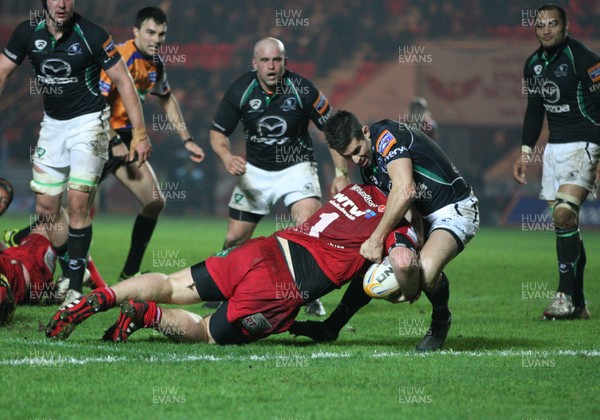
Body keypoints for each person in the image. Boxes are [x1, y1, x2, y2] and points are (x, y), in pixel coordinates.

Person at [45, 183, 422, 344]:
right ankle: (148, 316)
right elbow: (401, 263)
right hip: (278, 289)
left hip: (263, 248)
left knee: (173, 285)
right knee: (208, 332)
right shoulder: (396, 226)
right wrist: (407, 291)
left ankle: (100, 297)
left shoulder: (362, 191)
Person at [0, 0, 150, 307]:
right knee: (46, 209)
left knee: (78, 200)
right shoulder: (27, 32)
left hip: (89, 124)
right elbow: (2, 72)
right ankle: (73, 268)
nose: (62, 3)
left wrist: (141, 133)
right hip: (52, 126)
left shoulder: (92, 35)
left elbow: (124, 81)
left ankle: (75, 290)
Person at [312, 110, 479, 352]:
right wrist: (414, 239)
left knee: (427, 271)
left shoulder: (386, 137)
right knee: (369, 262)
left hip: (453, 209)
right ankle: (331, 326)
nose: (357, 160)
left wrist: (377, 239)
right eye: (349, 157)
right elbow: (406, 207)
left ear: (366, 132)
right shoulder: (368, 167)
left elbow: (405, 191)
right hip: (421, 214)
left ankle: (441, 321)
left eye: (358, 150)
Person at [209, 37, 350, 316]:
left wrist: (341, 172)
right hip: (257, 171)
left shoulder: (303, 89)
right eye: (265, 61)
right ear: (255, 64)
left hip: (297, 167)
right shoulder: (241, 89)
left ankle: (310, 294)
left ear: (285, 62)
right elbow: (217, 133)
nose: (271, 66)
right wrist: (226, 157)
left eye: (277, 60)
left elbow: (333, 129)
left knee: (308, 225)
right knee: (235, 236)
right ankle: (219, 286)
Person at [98, 6, 204, 281]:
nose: (156, 39)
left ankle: (128, 273)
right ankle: (29, 244)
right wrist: (111, 140)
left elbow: (166, 98)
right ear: (135, 31)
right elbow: (95, 102)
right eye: (150, 32)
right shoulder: (121, 56)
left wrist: (187, 139)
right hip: (97, 134)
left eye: (161, 34)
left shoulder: (155, 63)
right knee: (73, 209)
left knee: (155, 202)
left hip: (126, 138)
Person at [513, 4, 600, 320]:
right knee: (567, 225)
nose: (546, 29)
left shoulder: (586, 59)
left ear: (566, 26)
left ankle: (563, 296)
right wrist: (526, 152)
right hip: (553, 151)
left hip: (586, 143)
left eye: (552, 24)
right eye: (540, 25)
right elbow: (535, 110)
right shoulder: (533, 65)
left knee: (564, 214)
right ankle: (579, 303)